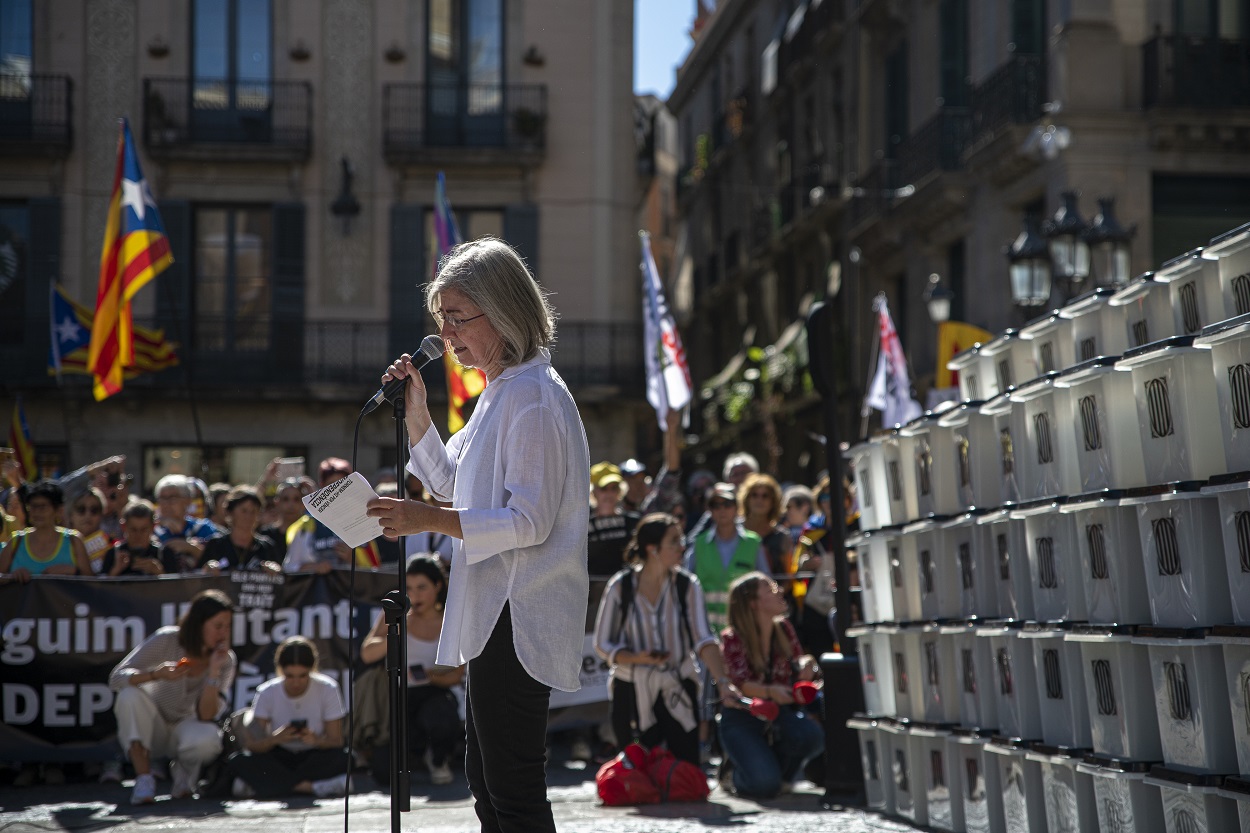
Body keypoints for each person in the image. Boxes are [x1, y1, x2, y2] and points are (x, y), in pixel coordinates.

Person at [366, 236, 590, 833]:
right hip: (497, 614)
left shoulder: (533, 397)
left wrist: (424, 520)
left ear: (504, 310)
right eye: (441, 320)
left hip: (520, 616)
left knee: (511, 790)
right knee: (489, 786)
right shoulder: (502, 392)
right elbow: (448, 482)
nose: (447, 335)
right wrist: (417, 410)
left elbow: (528, 521)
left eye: (458, 318)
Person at [593, 513, 740, 765]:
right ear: (652, 549)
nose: (681, 547)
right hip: (630, 689)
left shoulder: (687, 584)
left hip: (677, 684)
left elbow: (704, 638)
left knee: (685, 769)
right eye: (674, 541)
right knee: (636, 772)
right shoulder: (621, 586)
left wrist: (724, 683)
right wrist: (638, 658)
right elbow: (602, 643)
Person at [108, 589, 236, 804]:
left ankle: (185, 776)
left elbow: (207, 715)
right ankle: (144, 778)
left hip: (184, 728)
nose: (223, 633)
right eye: (218, 626)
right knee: (129, 695)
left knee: (208, 739)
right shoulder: (168, 639)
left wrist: (213, 671)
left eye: (228, 626)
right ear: (199, 624)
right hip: (153, 725)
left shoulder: (226, 660)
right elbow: (116, 678)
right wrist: (155, 674)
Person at [717, 572, 824, 798]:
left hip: (778, 713)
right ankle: (734, 774)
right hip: (743, 717)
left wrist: (808, 664)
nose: (780, 591)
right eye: (770, 588)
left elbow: (797, 663)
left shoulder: (784, 629)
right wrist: (770, 692)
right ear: (753, 604)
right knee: (763, 786)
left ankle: (778, 773)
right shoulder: (732, 638)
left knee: (812, 736)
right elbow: (741, 683)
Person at [360, 554, 464, 785]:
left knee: (440, 713)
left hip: (436, 692)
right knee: (383, 771)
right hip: (398, 695)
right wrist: (397, 628)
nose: (415, 595)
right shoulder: (397, 614)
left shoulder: (452, 618)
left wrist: (431, 676)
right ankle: (414, 755)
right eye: (409, 588)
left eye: (422, 587)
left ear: (437, 585)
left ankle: (438, 759)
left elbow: (457, 675)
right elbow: (367, 653)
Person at [228, 636, 350, 799]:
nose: (296, 682)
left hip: (313, 755)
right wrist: (275, 739)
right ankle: (309, 787)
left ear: (312, 669)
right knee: (239, 761)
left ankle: (274, 786)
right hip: (280, 755)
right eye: (290, 676)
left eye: (302, 676)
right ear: (281, 670)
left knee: (346, 758)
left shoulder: (328, 688)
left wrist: (316, 741)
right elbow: (253, 745)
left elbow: (336, 740)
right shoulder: (267, 691)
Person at [683, 482, 771, 633]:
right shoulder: (699, 544)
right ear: (709, 511)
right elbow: (685, 584)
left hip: (744, 629)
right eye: (716, 505)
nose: (722, 510)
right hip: (705, 630)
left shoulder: (753, 543)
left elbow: (766, 583)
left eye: (728, 504)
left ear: (737, 508)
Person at [0, 479, 92, 584]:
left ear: (58, 510)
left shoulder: (74, 542)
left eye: (43, 507)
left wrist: (74, 572)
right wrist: (11, 577)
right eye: (33, 506)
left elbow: (92, 585)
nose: (37, 512)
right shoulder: (15, 542)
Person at [586, 461, 640, 631]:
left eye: (614, 488)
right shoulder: (580, 526)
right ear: (593, 491)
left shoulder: (634, 523)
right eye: (604, 488)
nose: (609, 493)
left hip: (629, 600)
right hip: (591, 603)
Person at [199, 486, 281, 573]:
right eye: (244, 511)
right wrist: (208, 568)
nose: (249, 517)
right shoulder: (216, 545)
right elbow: (198, 576)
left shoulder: (266, 547)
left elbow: (281, 578)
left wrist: (275, 569)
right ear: (230, 512)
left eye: (253, 511)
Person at [153, 474, 219, 573]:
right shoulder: (152, 531)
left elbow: (220, 559)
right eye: (162, 498)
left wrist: (192, 549)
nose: (166, 504)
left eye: (172, 498)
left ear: (187, 501)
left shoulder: (203, 528)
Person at [738, 473, 791, 576]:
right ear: (746, 499)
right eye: (754, 495)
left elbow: (788, 577)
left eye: (765, 496)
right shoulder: (735, 531)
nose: (759, 500)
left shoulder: (782, 537)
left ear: (773, 501)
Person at [102, 499, 167, 576]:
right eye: (133, 530)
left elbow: (176, 586)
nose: (138, 535)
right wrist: (116, 570)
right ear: (123, 527)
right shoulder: (113, 554)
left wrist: (159, 572)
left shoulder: (164, 554)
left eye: (144, 530)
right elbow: (101, 587)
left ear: (153, 527)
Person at [68, 485, 114, 574]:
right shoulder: (59, 542)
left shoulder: (112, 547)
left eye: (94, 510)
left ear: (101, 515)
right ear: (71, 515)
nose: (88, 515)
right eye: (81, 509)